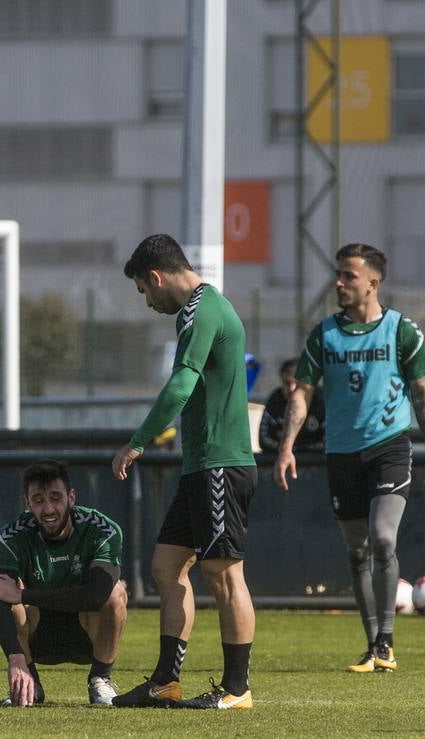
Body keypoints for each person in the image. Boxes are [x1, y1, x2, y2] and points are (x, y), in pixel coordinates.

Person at [274, 243, 425, 673]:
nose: (339, 283)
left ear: (373, 281)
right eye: (339, 274)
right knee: (357, 551)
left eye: (349, 275)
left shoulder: (402, 331)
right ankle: (372, 645)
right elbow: (302, 396)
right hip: (341, 455)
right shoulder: (324, 335)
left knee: (384, 538)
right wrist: (287, 447)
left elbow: (422, 392)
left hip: (390, 447)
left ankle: (386, 641)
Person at [110, 235, 258, 710]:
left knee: (224, 575)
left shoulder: (201, 309)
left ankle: (237, 690)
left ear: (155, 277)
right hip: (201, 466)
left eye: (143, 292)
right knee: (167, 566)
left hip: (221, 464)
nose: (148, 302)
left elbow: (179, 387)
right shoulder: (201, 309)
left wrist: (136, 442)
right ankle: (165, 683)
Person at [0, 459, 129, 707]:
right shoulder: (11, 537)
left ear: (71, 497)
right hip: (37, 635)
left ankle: (100, 680)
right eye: (39, 500)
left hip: (87, 633)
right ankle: (31, 683)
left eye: (55, 498)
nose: (49, 509)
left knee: (115, 593)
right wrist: (14, 656)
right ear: (27, 503)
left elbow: (95, 597)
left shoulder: (103, 530)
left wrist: (22, 595)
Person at [258, 358, 325, 454]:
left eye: (297, 384)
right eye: (287, 383)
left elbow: (330, 441)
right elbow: (264, 440)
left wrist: (300, 450)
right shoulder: (276, 399)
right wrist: (287, 451)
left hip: (318, 462)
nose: (291, 388)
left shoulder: (321, 399)